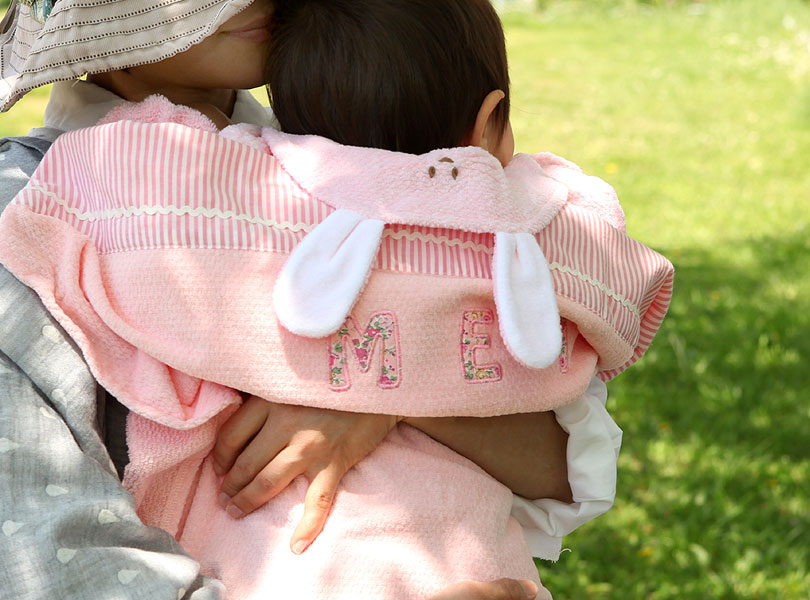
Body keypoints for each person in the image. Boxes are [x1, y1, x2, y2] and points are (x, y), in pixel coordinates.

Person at [0, 1, 671, 599]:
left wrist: (383, 394)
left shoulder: (366, 150)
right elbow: (57, 555)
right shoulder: (35, 207)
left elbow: (566, 464)